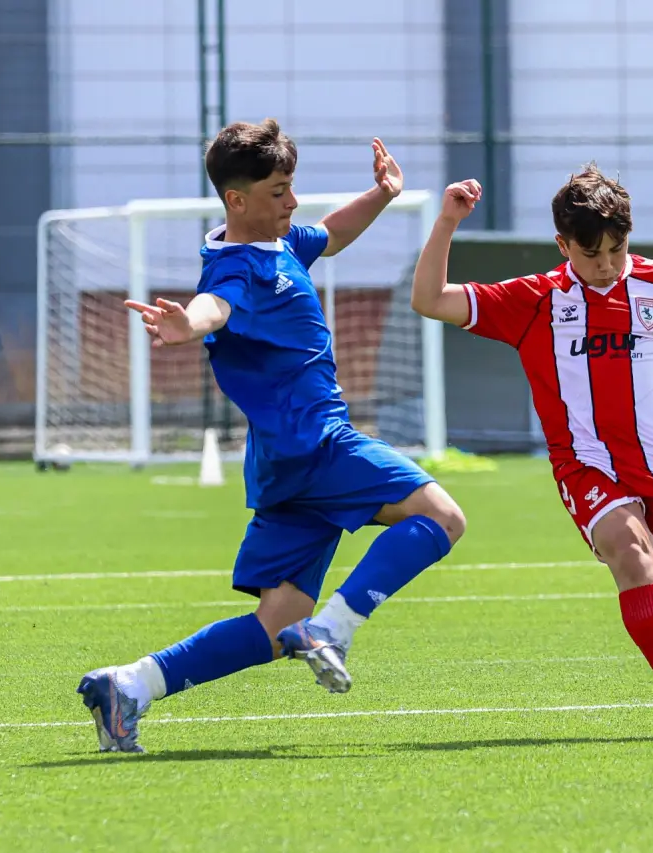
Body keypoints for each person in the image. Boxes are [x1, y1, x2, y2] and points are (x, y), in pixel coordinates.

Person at [77, 119, 465, 753]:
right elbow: (215, 306)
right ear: (237, 200)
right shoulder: (236, 271)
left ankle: (131, 685)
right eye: (279, 192)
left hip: (283, 464)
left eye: (291, 187)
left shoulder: (278, 245)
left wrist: (383, 193)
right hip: (318, 444)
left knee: (276, 621)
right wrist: (187, 326)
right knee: (443, 518)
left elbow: (331, 234)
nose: (292, 202)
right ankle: (333, 628)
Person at [409, 166, 653, 743]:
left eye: (617, 249)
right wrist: (446, 222)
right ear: (562, 245)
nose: (607, 264)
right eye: (592, 254)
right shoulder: (534, 299)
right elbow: (429, 299)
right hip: (587, 467)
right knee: (632, 554)